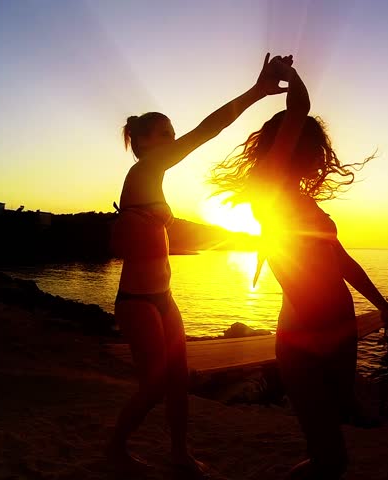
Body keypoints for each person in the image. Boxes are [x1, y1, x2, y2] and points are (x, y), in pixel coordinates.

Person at [211, 56, 388, 480]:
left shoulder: (303, 203)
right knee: (332, 458)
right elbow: (299, 110)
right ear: (297, 149)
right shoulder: (269, 190)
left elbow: (341, 261)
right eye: (314, 150)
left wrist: (383, 307)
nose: (320, 160)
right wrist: (289, 73)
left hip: (340, 331)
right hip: (304, 337)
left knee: (330, 450)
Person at [108, 53, 288, 478]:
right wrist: (257, 92)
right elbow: (210, 128)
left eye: (173, 133)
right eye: (167, 134)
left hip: (163, 296)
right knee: (153, 385)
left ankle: (179, 454)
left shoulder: (153, 177)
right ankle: (115, 449)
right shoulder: (146, 169)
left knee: (177, 383)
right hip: (136, 300)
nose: (175, 139)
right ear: (147, 142)